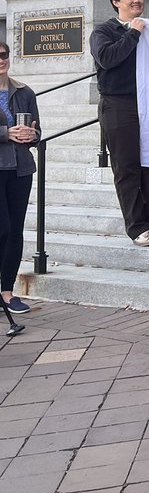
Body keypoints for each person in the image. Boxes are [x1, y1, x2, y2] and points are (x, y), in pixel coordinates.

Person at [90, 0, 149, 248]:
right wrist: (133, 34)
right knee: (126, 167)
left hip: (147, 104)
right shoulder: (104, 31)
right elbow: (107, 58)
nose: (136, 1)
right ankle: (137, 227)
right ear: (116, 2)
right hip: (118, 104)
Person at [0, 43, 40, 315]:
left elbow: (37, 128)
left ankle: (7, 292)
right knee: (1, 229)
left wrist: (32, 136)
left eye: (3, 55)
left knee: (14, 230)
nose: (0, 60)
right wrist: (6, 134)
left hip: (20, 169)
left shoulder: (24, 92)